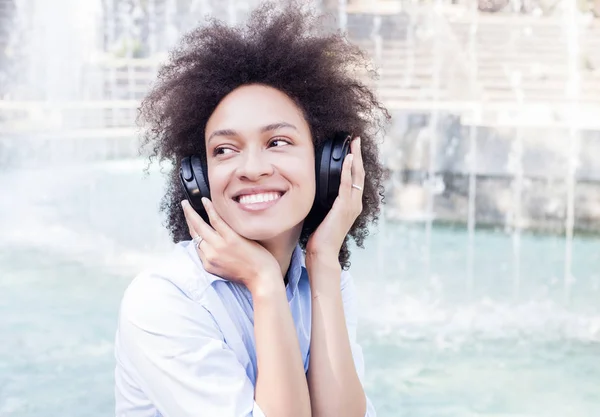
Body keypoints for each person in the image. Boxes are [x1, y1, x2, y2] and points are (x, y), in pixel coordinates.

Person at [114, 2, 390, 416]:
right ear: (198, 176)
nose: (253, 169)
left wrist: (323, 260)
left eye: (278, 142)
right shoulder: (164, 300)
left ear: (327, 163)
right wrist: (263, 283)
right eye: (224, 150)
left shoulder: (320, 277)